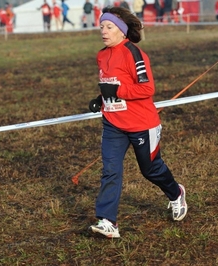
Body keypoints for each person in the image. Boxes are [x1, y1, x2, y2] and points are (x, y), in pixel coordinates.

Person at [88, 6, 187, 238]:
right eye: (102, 26)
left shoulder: (134, 53)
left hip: (142, 124)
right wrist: (101, 98)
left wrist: (117, 90)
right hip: (113, 124)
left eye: (109, 27)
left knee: (150, 169)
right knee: (110, 171)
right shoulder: (101, 55)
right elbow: (110, 85)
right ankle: (107, 221)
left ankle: (175, 193)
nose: (103, 31)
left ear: (122, 31)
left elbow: (147, 88)